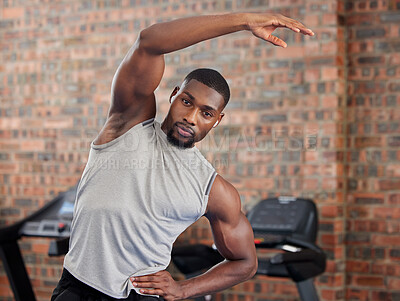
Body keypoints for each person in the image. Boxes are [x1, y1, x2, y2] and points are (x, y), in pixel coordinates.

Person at [51, 12, 314, 301]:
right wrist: (244, 22)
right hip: (78, 289)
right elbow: (149, 41)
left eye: (206, 113)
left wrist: (184, 288)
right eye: (187, 102)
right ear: (174, 95)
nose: (190, 117)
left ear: (217, 121)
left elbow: (245, 263)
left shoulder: (211, 189)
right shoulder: (127, 124)